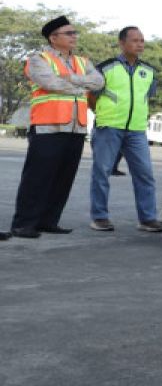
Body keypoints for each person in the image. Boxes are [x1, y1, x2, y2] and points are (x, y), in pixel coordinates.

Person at [9, 15, 104, 238]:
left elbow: (99, 81)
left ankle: (48, 221)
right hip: (48, 128)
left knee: (63, 178)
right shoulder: (38, 59)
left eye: (74, 33)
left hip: (76, 128)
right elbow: (50, 82)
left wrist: (69, 78)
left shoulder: (82, 61)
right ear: (53, 38)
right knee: (37, 178)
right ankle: (23, 224)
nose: (74, 37)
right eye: (69, 33)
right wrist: (81, 85)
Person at [89, 26, 162, 233]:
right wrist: (103, 114)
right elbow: (91, 96)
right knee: (102, 172)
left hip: (137, 130)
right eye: (135, 40)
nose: (140, 44)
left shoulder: (149, 71)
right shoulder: (105, 68)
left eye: (142, 40)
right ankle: (99, 217)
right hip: (109, 127)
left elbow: (146, 97)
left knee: (145, 174)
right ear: (122, 43)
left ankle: (147, 218)